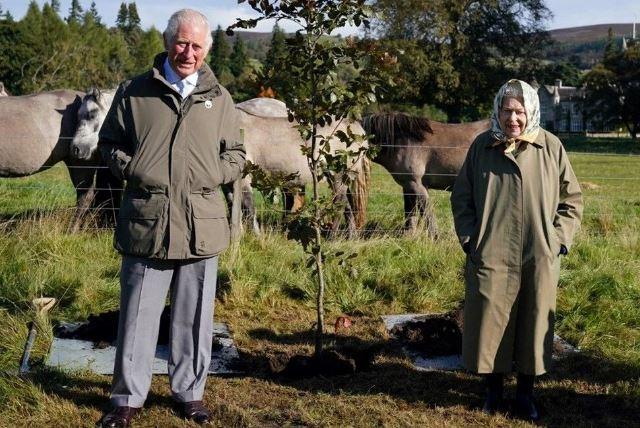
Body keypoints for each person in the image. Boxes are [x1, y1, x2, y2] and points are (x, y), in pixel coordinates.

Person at [96, 9, 245, 427]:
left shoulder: (220, 97)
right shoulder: (135, 92)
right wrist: (133, 169)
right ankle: (126, 399)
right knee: (138, 313)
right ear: (166, 42)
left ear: (206, 50)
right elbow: (109, 144)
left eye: (197, 46)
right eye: (182, 42)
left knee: (195, 315)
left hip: (202, 223)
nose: (189, 52)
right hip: (149, 220)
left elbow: (236, 153)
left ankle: (190, 394)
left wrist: (214, 174)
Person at [450, 79, 583, 421]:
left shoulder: (550, 147)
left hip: (538, 252)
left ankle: (526, 395)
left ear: (531, 112)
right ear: (497, 111)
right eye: (507, 111)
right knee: (489, 321)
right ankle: (492, 392)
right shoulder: (482, 146)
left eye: (520, 111)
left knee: (534, 320)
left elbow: (572, 200)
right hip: (491, 251)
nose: (513, 119)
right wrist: (470, 239)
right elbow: (461, 198)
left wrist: (557, 240)